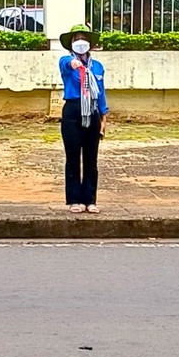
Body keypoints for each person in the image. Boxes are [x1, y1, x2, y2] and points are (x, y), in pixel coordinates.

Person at [58, 23, 108, 214]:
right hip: (73, 111)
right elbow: (65, 64)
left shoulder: (97, 66)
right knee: (72, 158)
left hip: (92, 111)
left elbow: (101, 92)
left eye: (84, 39)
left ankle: (90, 200)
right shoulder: (67, 61)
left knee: (91, 159)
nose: (80, 42)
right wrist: (74, 64)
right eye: (77, 39)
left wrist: (104, 117)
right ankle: (74, 200)